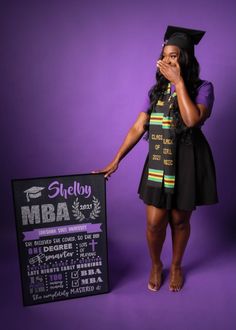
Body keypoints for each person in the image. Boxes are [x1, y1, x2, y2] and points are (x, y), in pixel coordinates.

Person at [92, 26, 218, 292]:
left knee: (180, 220)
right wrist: (116, 160)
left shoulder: (203, 88)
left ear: (186, 57)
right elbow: (139, 127)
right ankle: (155, 264)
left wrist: (179, 83)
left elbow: (192, 119)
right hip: (160, 159)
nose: (168, 61)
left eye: (174, 55)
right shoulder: (155, 92)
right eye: (165, 56)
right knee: (153, 223)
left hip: (187, 161)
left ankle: (175, 266)